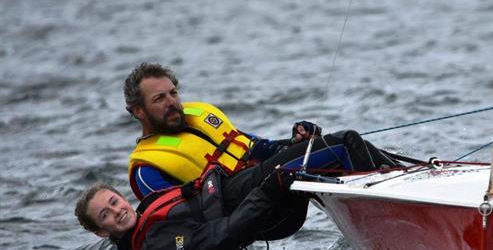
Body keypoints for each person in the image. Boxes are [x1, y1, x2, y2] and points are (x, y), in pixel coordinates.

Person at [123, 62, 399, 200]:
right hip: (245, 198)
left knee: (345, 144)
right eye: (160, 99)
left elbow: (255, 147)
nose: (172, 103)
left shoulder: (200, 117)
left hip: (264, 176)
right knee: (344, 143)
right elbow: (177, 215)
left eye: (173, 93)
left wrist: (294, 141)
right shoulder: (147, 170)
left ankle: (407, 177)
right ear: (139, 110)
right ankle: (389, 209)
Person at [74, 163, 308, 250]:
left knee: (310, 151)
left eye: (114, 202)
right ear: (101, 232)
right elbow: (224, 236)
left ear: (123, 198)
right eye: (105, 215)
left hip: (253, 195)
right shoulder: (155, 249)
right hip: (269, 213)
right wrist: (267, 191)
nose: (116, 211)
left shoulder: (147, 210)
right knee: (340, 145)